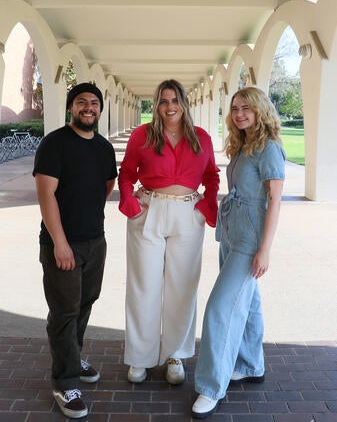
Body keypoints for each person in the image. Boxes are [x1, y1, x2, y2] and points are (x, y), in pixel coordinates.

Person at [118, 79, 220, 385]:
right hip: (149, 209)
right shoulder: (142, 136)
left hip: (188, 212)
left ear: (184, 103)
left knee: (182, 286)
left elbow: (212, 175)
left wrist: (206, 205)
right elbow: (126, 173)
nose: (169, 106)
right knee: (144, 285)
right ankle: (140, 357)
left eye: (175, 100)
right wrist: (130, 204)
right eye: (163, 101)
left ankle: (175, 354)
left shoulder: (201, 137)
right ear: (156, 104)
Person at [192, 86, 285, 419]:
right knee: (249, 301)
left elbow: (274, 200)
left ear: (260, 110)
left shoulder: (270, 148)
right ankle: (249, 363)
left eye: (246, 108)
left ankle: (210, 387)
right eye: (234, 108)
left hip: (250, 240)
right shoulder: (244, 145)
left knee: (220, 308)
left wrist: (265, 249)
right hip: (232, 232)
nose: (239, 113)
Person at [33, 82, 117, 419]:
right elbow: (46, 195)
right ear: (71, 107)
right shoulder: (55, 143)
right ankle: (64, 382)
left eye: (94, 103)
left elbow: (107, 184)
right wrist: (60, 242)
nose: (88, 107)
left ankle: (73, 356)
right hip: (62, 244)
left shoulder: (104, 148)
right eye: (82, 102)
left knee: (84, 303)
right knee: (64, 312)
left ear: (99, 109)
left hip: (95, 241)